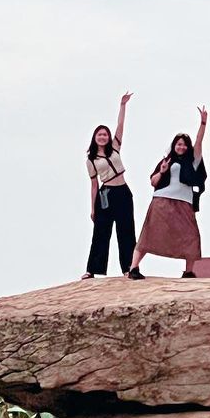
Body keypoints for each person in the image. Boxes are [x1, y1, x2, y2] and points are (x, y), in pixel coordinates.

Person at [128, 108, 208, 279]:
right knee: (149, 234)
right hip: (162, 201)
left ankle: (188, 272)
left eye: (184, 144)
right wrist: (162, 171)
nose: (181, 147)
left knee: (191, 236)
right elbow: (153, 182)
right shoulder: (166, 161)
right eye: (178, 144)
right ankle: (133, 268)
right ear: (174, 145)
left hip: (184, 202)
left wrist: (203, 123)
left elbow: (199, 142)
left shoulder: (193, 161)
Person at [83, 92, 136, 279]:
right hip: (105, 195)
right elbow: (93, 184)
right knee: (100, 233)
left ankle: (129, 268)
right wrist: (93, 208)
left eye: (105, 134)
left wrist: (123, 106)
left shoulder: (115, 148)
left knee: (126, 230)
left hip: (123, 192)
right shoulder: (91, 160)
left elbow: (120, 126)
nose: (103, 137)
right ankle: (91, 269)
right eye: (100, 135)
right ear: (94, 137)